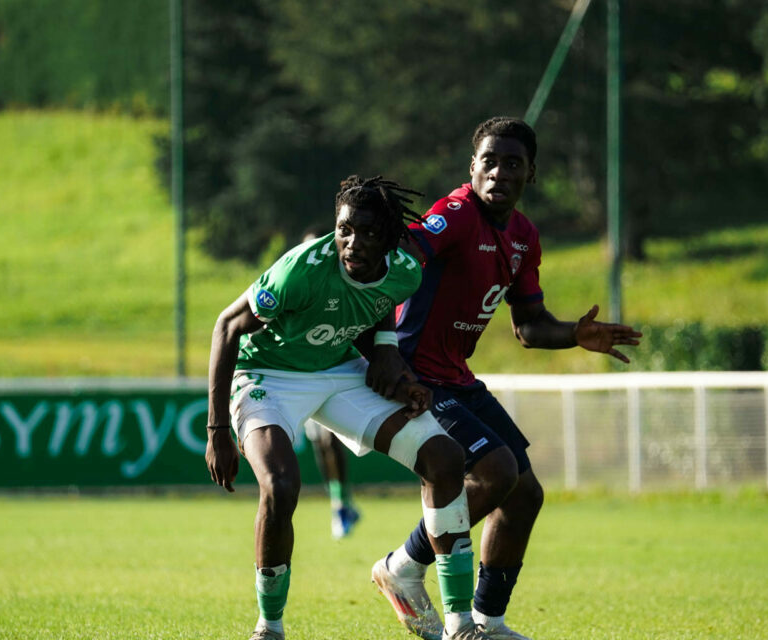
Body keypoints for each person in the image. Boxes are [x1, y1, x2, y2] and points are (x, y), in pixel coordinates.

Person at [368, 117, 642, 640]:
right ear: (472, 168)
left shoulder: (523, 237)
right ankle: (402, 566)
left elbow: (529, 327)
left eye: (512, 163)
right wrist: (381, 350)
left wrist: (574, 335)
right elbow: (399, 263)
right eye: (488, 161)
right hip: (416, 374)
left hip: (457, 378)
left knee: (525, 493)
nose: (498, 171)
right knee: (494, 472)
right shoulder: (454, 215)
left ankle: (488, 621)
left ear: (530, 174)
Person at [206, 175, 498, 640]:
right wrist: (217, 429)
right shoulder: (300, 269)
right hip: (267, 376)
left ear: (390, 237)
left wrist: (387, 354)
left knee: (445, 458)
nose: (352, 242)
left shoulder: (406, 271)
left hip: (338, 372)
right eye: (344, 229)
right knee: (281, 487)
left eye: (367, 233)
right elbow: (226, 327)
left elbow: (377, 301)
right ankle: (269, 627)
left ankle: (461, 625)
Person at [298, 226, 364, 540]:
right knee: (319, 447)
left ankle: (340, 505)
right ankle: (340, 501)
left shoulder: (343, 285)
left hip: (337, 376)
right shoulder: (296, 284)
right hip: (302, 377)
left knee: (329, 441)